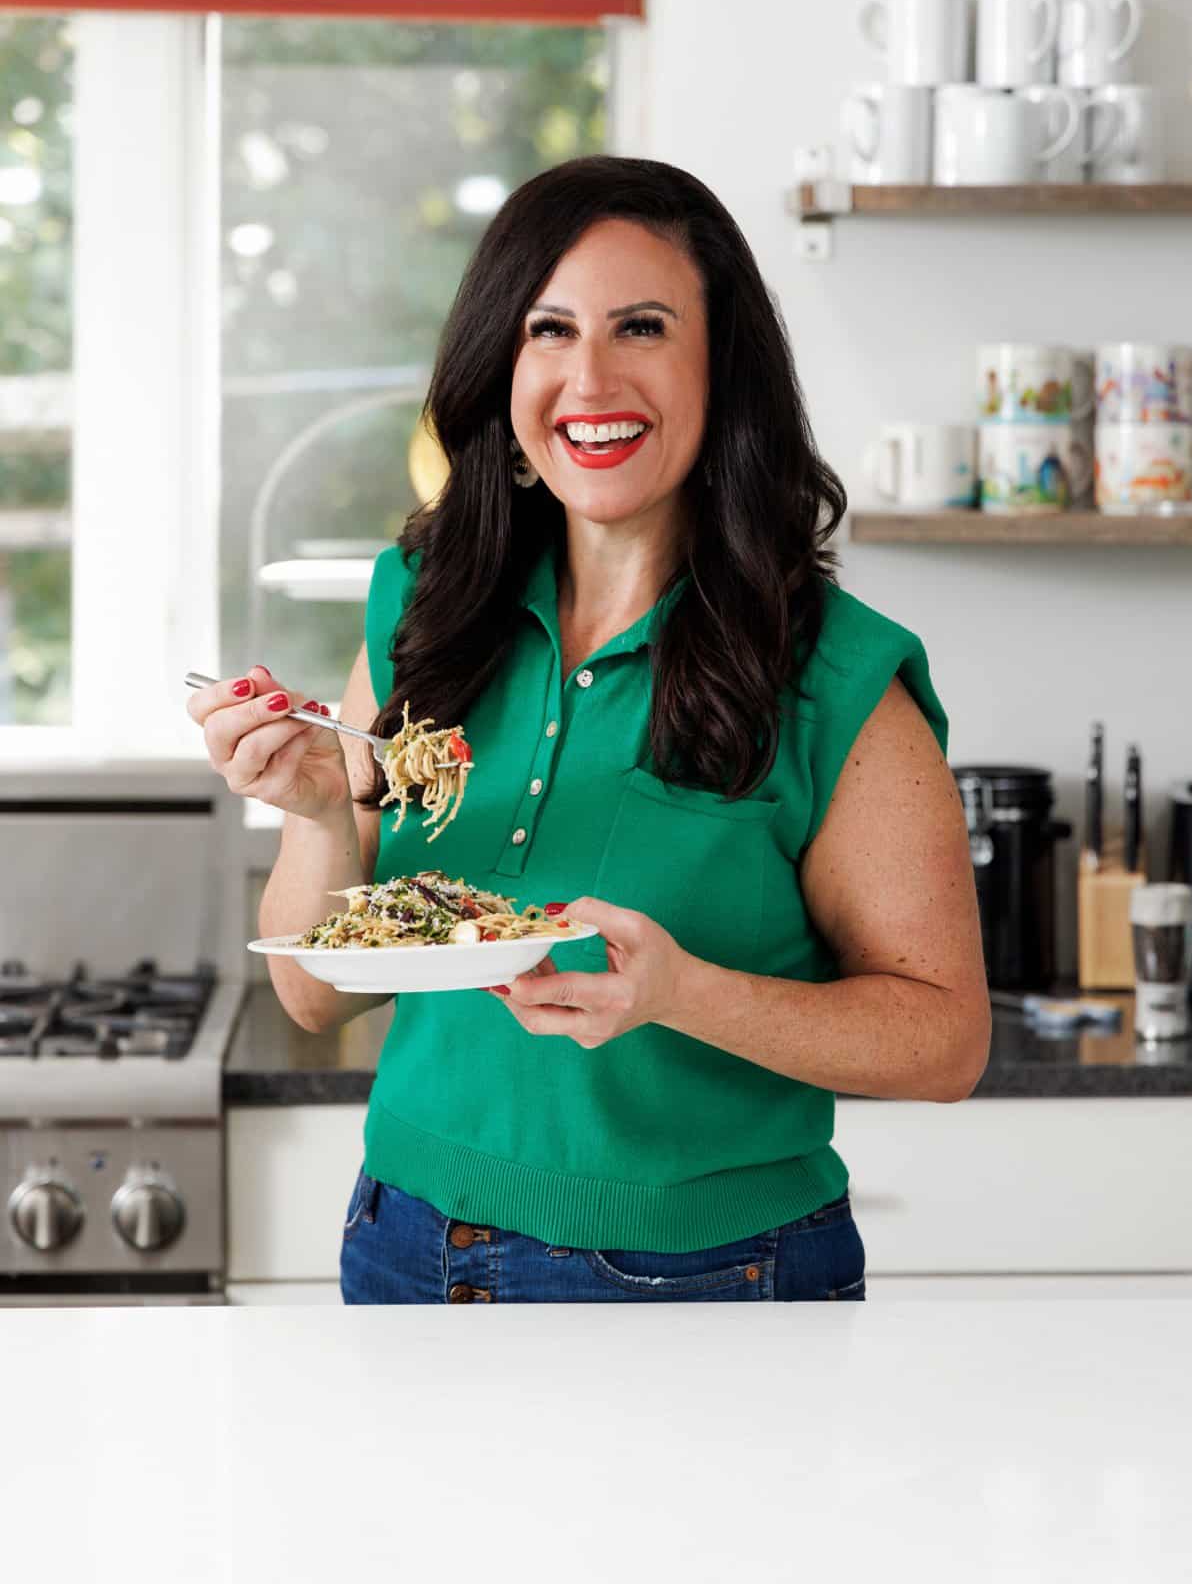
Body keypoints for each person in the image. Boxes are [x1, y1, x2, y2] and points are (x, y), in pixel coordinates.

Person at [191, 155, 990, 1305]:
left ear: (723, 371)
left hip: (712, 1278)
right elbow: (321, 994)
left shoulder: (836, 672)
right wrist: (318, 809)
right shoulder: (425, 605)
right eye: (550, 329)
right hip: (407, 1241)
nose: (590, 377)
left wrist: (684, 993)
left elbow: (944, 1041)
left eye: (643, 327)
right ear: (502, 367)